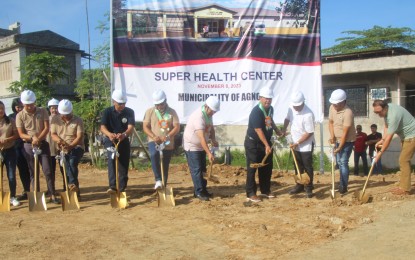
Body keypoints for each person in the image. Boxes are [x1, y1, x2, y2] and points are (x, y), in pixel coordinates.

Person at [15, 90, 59, 204]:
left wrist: (38, 139)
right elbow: (21, 133)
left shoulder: (42, 111)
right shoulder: (20, 115)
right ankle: (37, 196)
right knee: (33, 172)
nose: (29, 106)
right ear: (22, 103)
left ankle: (52, 193)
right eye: (26, 104)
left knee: (48, 170)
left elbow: (46, 128)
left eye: (31, 104)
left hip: (42, 144)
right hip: (28, 146)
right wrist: (32, 138)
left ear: (35, 101)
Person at [244, 87, 281, 202]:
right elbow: (258, 130)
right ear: (260, 98)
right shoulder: (256, 111)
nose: (268, 101)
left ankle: (265, 190)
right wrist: (267, 145)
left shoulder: (270, 109)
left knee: (266, 166)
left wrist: (277, 130)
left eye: (270, 98)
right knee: (253, 168)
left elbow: (270, 121)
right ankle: (250, 193)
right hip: (253, 144)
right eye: (266, 98)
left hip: (265, 142)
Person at [373, 100, 415, 195]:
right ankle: (404, 185)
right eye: (376, 112)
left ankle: (405, 189)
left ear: (385, 108)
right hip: (405, 137)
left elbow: (389, 138)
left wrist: (380, 153)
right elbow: (387, 127)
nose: (378, 114)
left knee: (403, 160)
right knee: (405, 160)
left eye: (379, 112)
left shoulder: (393, 116)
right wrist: (382, 139)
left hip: (412, 136)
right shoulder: (387, 111)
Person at [183, 96, 220, 201]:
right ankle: (198, 192)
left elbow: (211, 128)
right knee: (196, 169)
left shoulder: (209, 114)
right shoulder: (198, 117)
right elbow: (202, 138)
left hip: (201, 146)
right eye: (213, 111)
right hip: (192, 145)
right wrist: (209, 153)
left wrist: (213, 139)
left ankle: (203, 190)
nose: (214, 113)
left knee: (203, 169)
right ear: (207, 107)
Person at [143, 90, 180, 190]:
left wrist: (168, 136)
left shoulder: (172, 112)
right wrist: (153, 136)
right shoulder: (150, 111)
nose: (160, 106)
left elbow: (176, 127)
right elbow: (145, 126)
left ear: (165, 101)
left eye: (161, 103)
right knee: (154, 155)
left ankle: (163, 185)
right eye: (157, 104)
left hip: (167, 142)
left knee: (165, 164)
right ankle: (158, 180)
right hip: (154, 140)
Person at [100, 89, 135, 194]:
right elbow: (102, 127)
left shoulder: (129, 112)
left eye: (124, 103)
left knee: (124, 164)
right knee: (112, 160)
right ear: (114, 101)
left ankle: (122, 187)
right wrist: (109, 134)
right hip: (110, 140)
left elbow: (130, 127)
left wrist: (124, 134)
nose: (122, 105)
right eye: (120, 103)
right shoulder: (107, 112)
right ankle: (112, 186)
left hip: (123, 139)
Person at [282, 91, 315, 198]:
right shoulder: (291, 108)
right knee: (297, 165)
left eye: (298, 106)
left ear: (303, 103)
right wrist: (284, 129)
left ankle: (309, 187)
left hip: (306, 145)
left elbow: (309, 132)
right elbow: (287, 118)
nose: (295, 108)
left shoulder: (308, 114)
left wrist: (298, 143)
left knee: (307, 166)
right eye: (294, 105)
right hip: (294, 142)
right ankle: (299, 185)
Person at [50, 100, 84, 198]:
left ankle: (72, 184)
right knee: (64, 168)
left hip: (76, 147)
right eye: (63, 114)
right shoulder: (55, 120)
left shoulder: (78, 120)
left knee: (72, 162)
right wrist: (61, 142)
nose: (65, 116)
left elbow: (79, 136)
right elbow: (53, 134)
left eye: (67, 114)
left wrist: (70, 146)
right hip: (61, 148)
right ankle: (73, 191)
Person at [328, 89, 356, 195]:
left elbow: (345, 133)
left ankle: (343, 186)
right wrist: (332, 137)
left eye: (337, 104)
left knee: (343, 162)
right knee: (338, 163)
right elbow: (330, 123)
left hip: (347, 141)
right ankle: (341, 183)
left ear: (343, 101)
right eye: (333, 104)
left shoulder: (348, 113)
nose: (335, 106)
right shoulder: (332, 107)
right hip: (337, 139)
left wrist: (340, 147)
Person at [8, 98, 30, 201]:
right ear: (14, 107)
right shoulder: (10, 118)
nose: (20, 109)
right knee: (22, 169)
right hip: (16, 147)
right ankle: (26, 190)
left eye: (21, 106)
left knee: (30, 168)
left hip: (28, 145)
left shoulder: (27, 116)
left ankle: (32, 190)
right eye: (18, 107)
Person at [0, 101, 21, 206]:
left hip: (9, 151)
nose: (1, 111)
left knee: (11, 175)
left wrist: (7, 139)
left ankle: (12, 197)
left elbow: (17, 135)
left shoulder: (11, 121)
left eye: (2, 108)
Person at [46, 98, 65, 191]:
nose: (54, 110)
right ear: (49, 109)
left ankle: (66, 187)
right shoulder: (46, 119)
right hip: (49, 148)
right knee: (50, 170)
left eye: (56, 108)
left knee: (63, 168)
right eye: (52, 108)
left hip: (61, 147)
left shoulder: (63, 119)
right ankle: (51, 189)